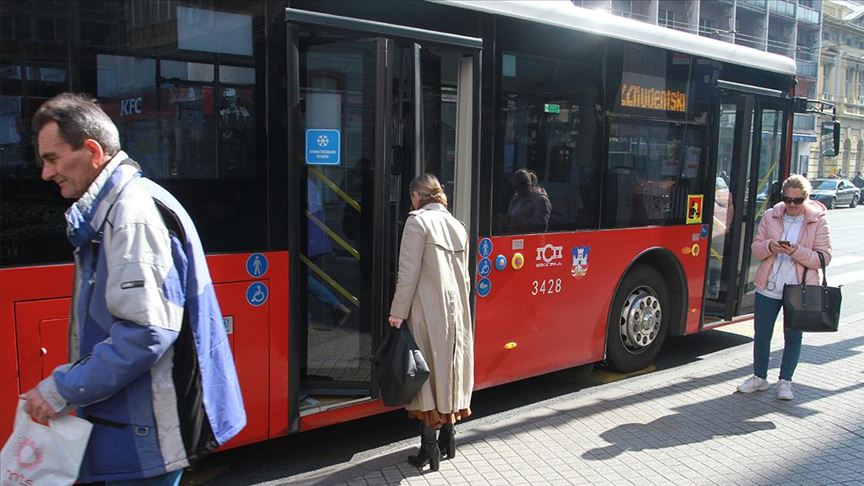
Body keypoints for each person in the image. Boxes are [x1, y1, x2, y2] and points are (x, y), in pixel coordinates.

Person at [23, 93, 246, 485]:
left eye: (53, 158)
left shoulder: (131, 214)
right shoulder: (120, 207)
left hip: (147, 430)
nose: (46, 173)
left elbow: (146, 331)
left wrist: (62, 388)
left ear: (92, 151)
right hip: (137, 425)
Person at [388, 174, 473, 473]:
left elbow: (408, 273)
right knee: (448, 373)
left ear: (417, 196)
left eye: (412, 197)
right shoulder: (457, 225)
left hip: (427, 311)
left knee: (426, 378)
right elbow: (465, 277)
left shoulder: (417, 222)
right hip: (457, 312)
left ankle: (429, 448)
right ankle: (450, 438)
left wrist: (397, 312)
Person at [737, 174, 832, 401]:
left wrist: (796, 251)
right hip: (768, 286)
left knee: (793, 336)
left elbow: (823, 257)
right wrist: (771, 246)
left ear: (806, 199)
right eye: (787, 199)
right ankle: (759, 377)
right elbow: (756, 248)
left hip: (798, 289)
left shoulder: (817, 220)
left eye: (797, 201)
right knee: (762, 334)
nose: (791, 205)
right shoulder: (771, 215)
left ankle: (785, 381)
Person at [505, 168, 551, 233]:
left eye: (518, 187)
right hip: (512, 236)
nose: (516, 191)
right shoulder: (515, 199)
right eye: (514, 187)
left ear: (527, 185)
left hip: (530, 238)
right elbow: (509, 218)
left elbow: (542, 226)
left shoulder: (540, 200)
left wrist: (518, 221)